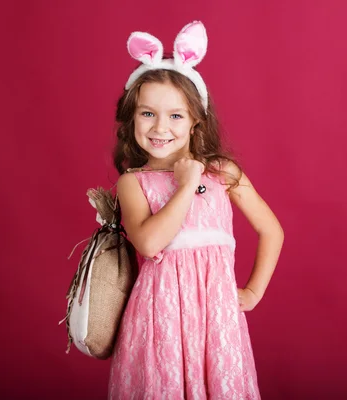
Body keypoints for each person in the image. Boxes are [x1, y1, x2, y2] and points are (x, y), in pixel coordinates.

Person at [108, 21, 284, 399]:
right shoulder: (133, 182)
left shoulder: (224, 173)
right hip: (162, 320)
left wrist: (253, 291)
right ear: (131, 117)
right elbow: (150, 242)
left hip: (216, 318)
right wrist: (186, 185)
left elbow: (272, 230)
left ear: (195, 122)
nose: (160, 127)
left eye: (175, 115)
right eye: (147, 113)